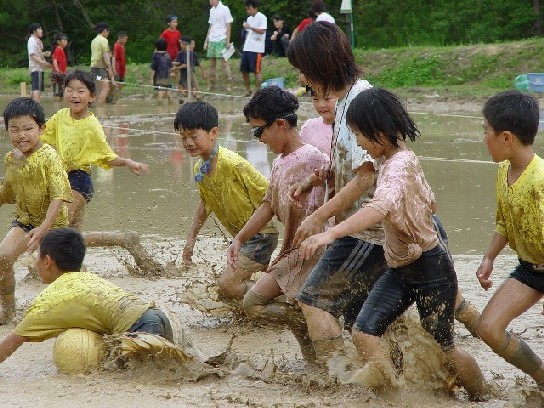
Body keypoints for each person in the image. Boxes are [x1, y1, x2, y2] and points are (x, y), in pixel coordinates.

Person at [287, 22, 481, 365]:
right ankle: (391, 374)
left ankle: (335, 377)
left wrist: (320, 221)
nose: (301, 78)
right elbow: (354, 163)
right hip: (378, 229)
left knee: (315, 299)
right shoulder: (346, 99)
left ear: (320, 64)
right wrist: (322, 177)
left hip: (371, 231)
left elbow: (364, 179)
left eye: (302, 69)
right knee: (362, 320)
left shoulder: (359, 100)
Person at [298, 87, 488, 399]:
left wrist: (331, 232)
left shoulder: (398, 166)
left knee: (444, 351)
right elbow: (433, 203)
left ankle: (484, 398)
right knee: (364, 331)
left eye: (359, 134)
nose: (357, 142)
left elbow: (378, 208)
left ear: (381, 133)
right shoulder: (393, 161)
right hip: (401, 267)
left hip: (431, 269)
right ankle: (393, 396)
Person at [227, 86, 329, 360]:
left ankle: (323, 357)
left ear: (281, 124)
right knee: (272, 305)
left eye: (259, 131)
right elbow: (269, 205)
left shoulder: (316, 159)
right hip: (292, 249)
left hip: (315, 250)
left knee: (255, 302)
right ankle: (311, 359)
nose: (258, 139)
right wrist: (240, 238)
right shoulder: (279, 163)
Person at [0, 227, 174, 364]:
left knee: (133, 377)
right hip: (157, 317)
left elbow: (12, 342)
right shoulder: (90, 278)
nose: (36, 263)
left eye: (37, 258)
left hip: (141, 330)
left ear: (47, 261)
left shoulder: (50, 299)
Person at [174, 101, 278, 300]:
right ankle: (262, 301)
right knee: (227, 290)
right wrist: (191, 239)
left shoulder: (233, 164)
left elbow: (270, 194)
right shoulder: (199, 168)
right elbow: (205, 203)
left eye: (194, 136)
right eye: (183, 137)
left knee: (226, 284)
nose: (188, 143)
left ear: (214, 132)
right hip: (241, 238)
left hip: (260, 236)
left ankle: (277, 297)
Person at [476, 90, 544, 390]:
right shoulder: (504, 170)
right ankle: (541, 377)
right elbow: (504, 222)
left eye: (485, 132)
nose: (483, 139)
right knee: (488, 328)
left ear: (506, 138)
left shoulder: (540, 180)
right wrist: (489, 257)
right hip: (531, 269)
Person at [40, 70, 149, 231]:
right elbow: (41, 135)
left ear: (91, 96)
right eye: (69, 90)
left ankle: (40, 256)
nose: (74, 95)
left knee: (58, 227)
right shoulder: (60, 116)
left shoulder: (92, 126)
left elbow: (106, 156)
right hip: (62, 178)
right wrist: (21, 128)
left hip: (80, 180)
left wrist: (127, 162)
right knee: (73, 235)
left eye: (80, 91)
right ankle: (124, 242)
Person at [0, 97, 73, 323]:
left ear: (41, 128)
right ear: (7, 131)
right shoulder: (11, 159)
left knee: (55, 272)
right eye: (15, 129)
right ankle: (8, 309)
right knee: (2, 258)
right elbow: (7, 194)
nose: (21, 135)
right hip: (24, 222)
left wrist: (44, 228)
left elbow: (59, 196)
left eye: (28, 129)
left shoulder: (49, 156)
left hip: (54, 225)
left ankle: (68, 313)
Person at [204, 0, 233, 93]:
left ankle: (229, 85)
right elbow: (210, 26)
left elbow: (228, 25)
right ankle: (212, 85)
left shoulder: (225, 9)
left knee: (224, 63)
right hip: (212, 38)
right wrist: (206, 41)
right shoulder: (211, 10)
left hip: (222, 38)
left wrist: (227, 41)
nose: (210, 1)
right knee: (212, 64)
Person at [241, 0, 267, 97]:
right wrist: (246, 27)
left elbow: (262, 31)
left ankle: (258, 92)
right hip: (247, 47)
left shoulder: (262, 17)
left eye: (250, 9)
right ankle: (248, 90)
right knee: (244, 70)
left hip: (257, 48)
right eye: (247, 9)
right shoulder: (249, 19)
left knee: (257, 70)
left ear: (255, 8)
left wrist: (250, 27)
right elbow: (248, 30)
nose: (248, 11)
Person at [299, 88, 336, 156]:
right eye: (315, 99)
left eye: (327, 99)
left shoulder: (349, 127)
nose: (320, 105)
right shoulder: (308, 127)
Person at [173, 36, 206, 101]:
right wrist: (172, 64)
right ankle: (182, 103)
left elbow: (194, 64)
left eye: (181, 43)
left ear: (185, 44)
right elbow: (177, 62)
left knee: (195, 90)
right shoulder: (180, 53)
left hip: (190, 74)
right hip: (182, 74)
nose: (180, 45)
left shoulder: (192, 54)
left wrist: (203, 72)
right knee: (184, 90)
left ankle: (200, 102)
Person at [90, 22, 115, 104]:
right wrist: (110, 68)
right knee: (106, 88)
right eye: (108, 31)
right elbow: (105, 55)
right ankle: (99, 107)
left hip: (93, 67)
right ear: (104, 31)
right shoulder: (104, 40)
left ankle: (96, 107)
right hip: (100, 68)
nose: (108, 33)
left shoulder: (93, 41)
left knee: (99, 88)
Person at [27, 23, 52, 102]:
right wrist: (43, 63)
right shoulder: (32, 40)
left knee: (36, 88)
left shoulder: (36, 41)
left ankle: (26, 103)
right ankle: (37, 106)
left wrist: (44, 54)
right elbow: (32, 55)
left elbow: (37, 53)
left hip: (39, 68)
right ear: (34, 31)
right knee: (36, 88)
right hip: (36, 68)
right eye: (40, 29)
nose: (41, 31)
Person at [150, 38, 173, 103]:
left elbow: (153, 67)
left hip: (159, 78)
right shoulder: (168, 55)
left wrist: (151, 78)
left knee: (160, 93)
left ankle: (159, 109)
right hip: (167, 77)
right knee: (169, 93)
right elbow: (170, 66)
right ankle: (171, 107)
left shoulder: (155, 56)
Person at [109, 31, 128, 103]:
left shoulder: (122, 47)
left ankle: (115, 101)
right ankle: (114, 102)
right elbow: (114, 59)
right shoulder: (116, 46)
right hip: (117, 70)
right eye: (125, 39)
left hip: (122, 70)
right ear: (120, 38)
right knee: (116, 87)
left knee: (120, 86)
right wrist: (114, 70)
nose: (126, 41)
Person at [50, 33, 68, 100]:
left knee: (61, 90)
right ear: (58, 42)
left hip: (61, 73)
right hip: (58, 74)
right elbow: (55, 61)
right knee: (58, 92)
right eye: (64, 40)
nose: (66, 42)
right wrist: (57, 71)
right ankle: (58, 105)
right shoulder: (58, 50)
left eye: (66, 40)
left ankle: (60, 103)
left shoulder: (62, 50)